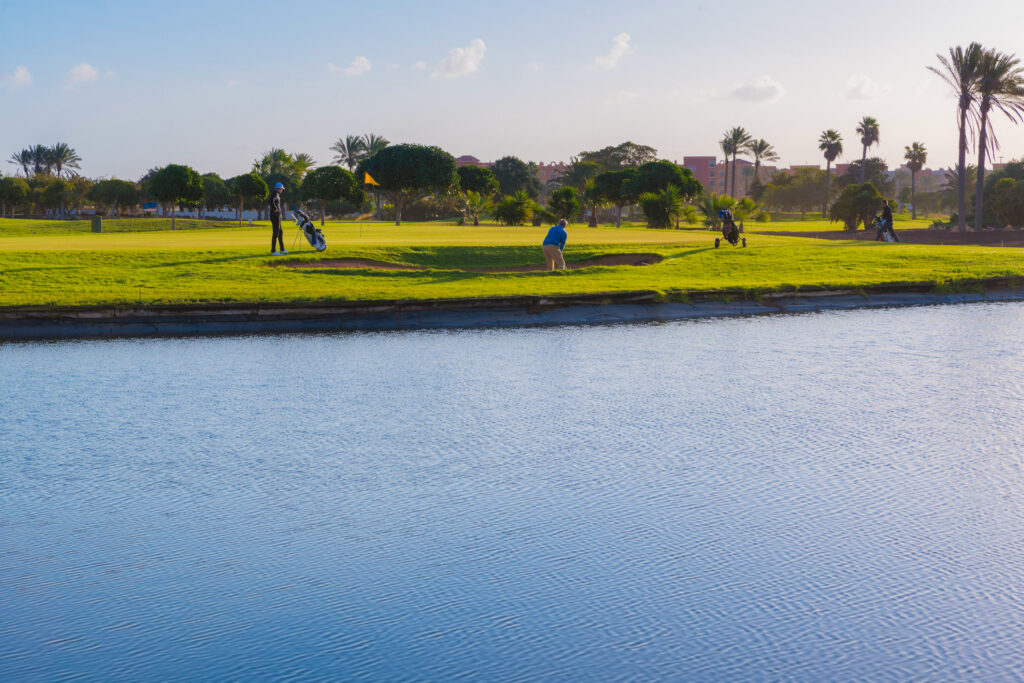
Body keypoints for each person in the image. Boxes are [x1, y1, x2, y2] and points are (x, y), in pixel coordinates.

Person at [269, 182, 287, 255]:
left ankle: (282, 249)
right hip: (275, 216)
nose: (282, 190)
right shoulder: (275, 194)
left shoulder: (276, 194)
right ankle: (273, 251)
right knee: (276, 233)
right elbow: (270, 200)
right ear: (279, 189)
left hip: (277, 216)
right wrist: (275, 208)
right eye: (281, 189)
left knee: (280, 232)